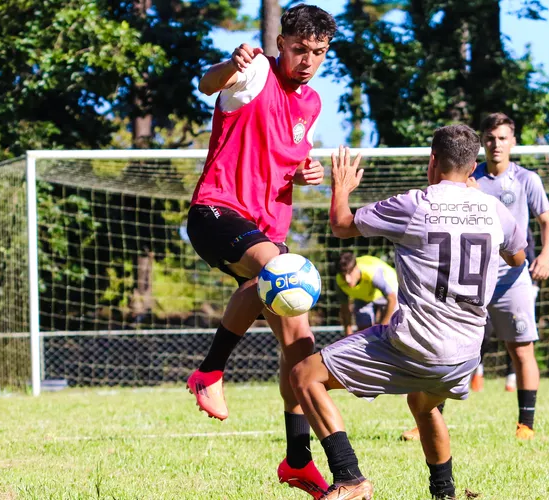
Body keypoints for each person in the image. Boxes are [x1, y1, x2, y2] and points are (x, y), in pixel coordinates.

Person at [290, 127, 528, 499]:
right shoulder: (495, 209)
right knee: (422, 402)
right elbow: (517, 256)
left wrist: (341, 187)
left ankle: (349, 477)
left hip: (416, 345)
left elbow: (341, 225)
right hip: (466, 354)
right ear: (474, 167)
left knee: (304, 376)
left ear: (432, 161)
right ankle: (444, 492)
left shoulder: (416, 204)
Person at [184, 4, 336, 497]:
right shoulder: (253, 75)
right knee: (277, 272)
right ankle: (208, 371)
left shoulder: (310, 104)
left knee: (300, 347)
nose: (307, 60)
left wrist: (306, 171)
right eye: (299, 49)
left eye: (318, 52)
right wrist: (231, 64)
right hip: (216, 212)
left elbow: (287, 155)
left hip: (267, 230)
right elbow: (208, 84)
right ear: (281, 44)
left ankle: (297, 461)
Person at [403, 112, 549, 442]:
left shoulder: (527, 180)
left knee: (522, 350)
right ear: (481, 143)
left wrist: (545, 255)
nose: (496, 144)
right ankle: (428, 421)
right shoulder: (469, 178)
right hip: (471, 282)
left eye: (502, 138)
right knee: (449, 349)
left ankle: (525, 425)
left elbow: (547, 221)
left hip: (513, 279)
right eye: (490, 138)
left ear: (513, 141)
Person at [334, 252, 398, 336]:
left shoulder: (372, 274)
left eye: (350, 273)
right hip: (363, 296)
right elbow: (345, 309)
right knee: (364, 332)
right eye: (343, 275)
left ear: (356, 268)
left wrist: (381, 331)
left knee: (389, 329)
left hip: (388, 294)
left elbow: (392, 299)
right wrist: (348, 335)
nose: (347, 280)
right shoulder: (339, 281)